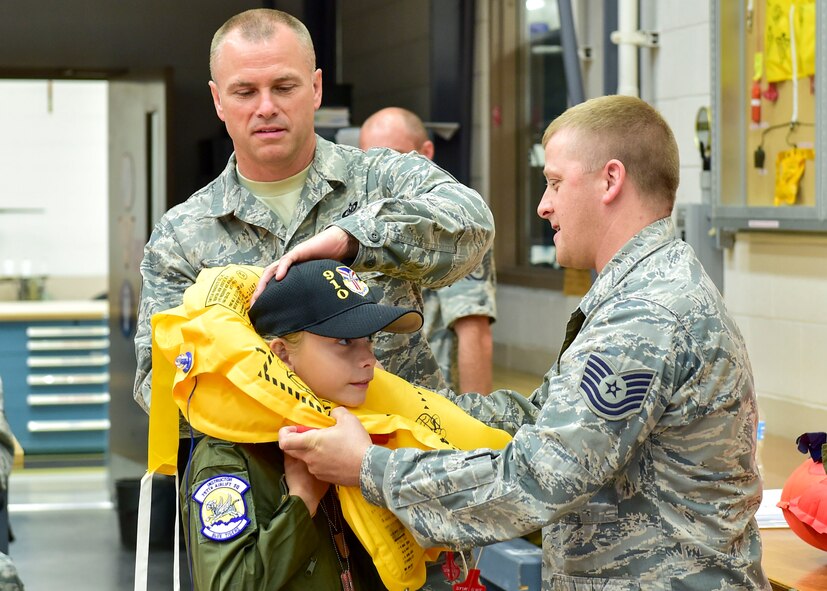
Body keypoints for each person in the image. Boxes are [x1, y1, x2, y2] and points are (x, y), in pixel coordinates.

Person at [278, 95, 771, 589]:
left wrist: (368, 467)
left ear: (611, 179)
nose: (543, 204)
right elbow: (536, 419)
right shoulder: (641, 290)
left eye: (555, 182)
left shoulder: (645, 316)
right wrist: (412, 410)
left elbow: (537, 479)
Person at [133, 8, 494, 417]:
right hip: (266, 471)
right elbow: (159, 382)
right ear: (218, 100)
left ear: (317, 88)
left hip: (398, 462)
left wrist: (354, 240)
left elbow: (473, 224)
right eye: (245, 92)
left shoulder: (380, 179)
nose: (266, 107)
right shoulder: (181, 237)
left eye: (284, 86)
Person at [181, 258, 422, 590]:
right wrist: (301, 502)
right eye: (343, 342)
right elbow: (229, 584)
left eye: (368, 340)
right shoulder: (228, 455)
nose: (369, 359)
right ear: (281, 354)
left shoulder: (367, 434)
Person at [359, 107, 497, 394]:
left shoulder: (450, 226)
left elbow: (473, 328)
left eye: (394, 155)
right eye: (371, 159)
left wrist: (474, 425)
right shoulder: (359, 225)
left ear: (427, 152)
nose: (384, 169)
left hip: (433, 402)